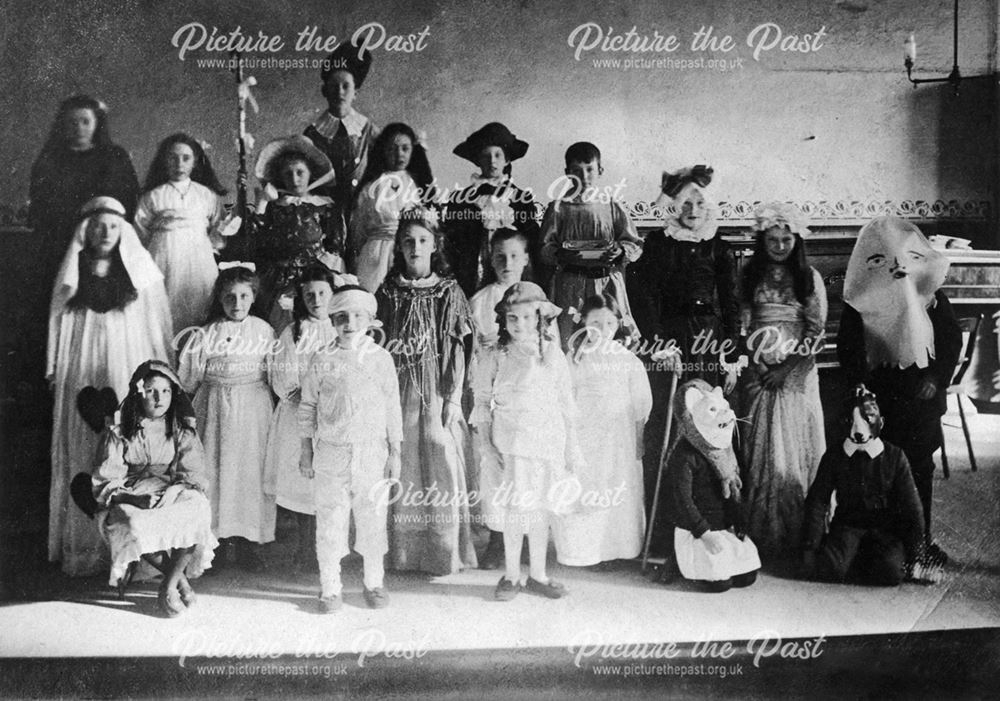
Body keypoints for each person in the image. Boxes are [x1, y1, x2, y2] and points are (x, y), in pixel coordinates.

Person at [47, 196, 173, 576]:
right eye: (99, 226)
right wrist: (54, 367)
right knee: (86, 445)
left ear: (124, 233)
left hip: (125, 359)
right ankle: (89, 549)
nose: (106, 233)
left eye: (114, 226)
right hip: (82, 363)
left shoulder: (135, 273)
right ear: (86, 231)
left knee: (124, 441)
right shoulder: (74, 273)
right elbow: (58, 321)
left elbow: (156, 324)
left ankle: (134, 550)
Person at [837, 216, 962, 564]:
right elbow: (848, 345)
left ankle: (920, 539)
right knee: (876, 468)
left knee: (919, 468)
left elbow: (950, 341)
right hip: (879, 396)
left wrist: (936, 379)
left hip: (920, 398)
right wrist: (859, 383)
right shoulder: (860, 301)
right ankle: (881, 540)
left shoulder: (932, 299)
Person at [627, 165, 739, 545]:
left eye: (699, 201)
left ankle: (714, 524)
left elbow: (732, 304)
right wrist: (659, 343)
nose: (692, 208)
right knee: (670, 425)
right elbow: (641, 294)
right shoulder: (659, 245)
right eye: (685, 201)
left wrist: (731, 354)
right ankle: (664, 534)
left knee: (710, 424)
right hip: (672, 343)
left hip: (710, 341)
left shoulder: (718, 246)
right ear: (674, 206)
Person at [376, 206, 477, 574]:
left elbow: (459, 348)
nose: (415, 248)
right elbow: (376, 346)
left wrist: (452, 397)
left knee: (440, 452)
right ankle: (403, 554)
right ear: (399, 248)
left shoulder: (448, 291)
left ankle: (444, 552)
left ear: (435, 245)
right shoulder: (388, 291)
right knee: (402, 462)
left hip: (436, 386)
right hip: (398, 385)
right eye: (408, 242)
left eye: (422, 241)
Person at [471, 282, 584, 600]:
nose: (520, 324)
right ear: (503, 320)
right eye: (512, 318)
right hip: (512, 446)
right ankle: (511, 575)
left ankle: (538, 574)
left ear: (541, 318)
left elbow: (565, 404)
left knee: (541, 510)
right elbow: (481, 402)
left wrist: (570, 448)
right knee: (515, 512)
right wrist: (486, 447)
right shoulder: (496, 354)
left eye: (527, 317)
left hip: (546, 443)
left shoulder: (552, 355)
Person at [84, 360, 217, 617]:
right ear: (139, 393)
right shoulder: (120, 429)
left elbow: (192, 473)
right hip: (131, 490)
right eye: (152, 391)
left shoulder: (181, 428)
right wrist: (130, 498)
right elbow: (107, 477)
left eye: (166, 391)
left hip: (170, 487)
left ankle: (167, 586)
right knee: (132, 524)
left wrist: (174, 490)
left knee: (198, 508)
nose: (159, 399)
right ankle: (179, 580)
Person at [298, 283, 402, 613]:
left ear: (370, 319)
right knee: (330, 521)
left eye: (358, 316)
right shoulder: (323, 358)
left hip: (372, 453)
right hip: (332, 452)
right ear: (331, 319)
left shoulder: (381, 358)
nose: (350, 323)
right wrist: (306, 450)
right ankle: (330, 588)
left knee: (372, 519)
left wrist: (395, 452)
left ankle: (374, 582)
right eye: (341, 316)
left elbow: (392, 407)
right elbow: (308, 405)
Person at [738, 202, 827, 558]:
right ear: (763, 240)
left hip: (796, 372)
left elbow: (816, 330)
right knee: (760, 449)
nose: (778, 246)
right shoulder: (749, 275)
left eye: (785, 240)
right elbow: (744, 323)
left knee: (791, 453)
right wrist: (760, 366)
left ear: (796, 240)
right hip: (758, 370)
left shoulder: (810, 278)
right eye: (772, 240)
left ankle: (796, 535)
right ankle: (760, 532)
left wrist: (785, 368)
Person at [178, 263, 277, 569]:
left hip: (253, 409)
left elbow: (275, 374)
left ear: (253, 297)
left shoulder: (264, 330)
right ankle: (215, 546)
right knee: (215, 474)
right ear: (219, 299)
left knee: (250, 475)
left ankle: (249, 545)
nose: (237, 304)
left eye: (244, 296)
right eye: (230, 297)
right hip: (215, 408)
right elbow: (189, 379)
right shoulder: (205, 334)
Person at [555, 292, 651, 568]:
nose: (603, 330)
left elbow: (640, 403)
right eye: (595, 323)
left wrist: (639, 438)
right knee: (591, 486)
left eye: (609, 324)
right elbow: (567, 396)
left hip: (619, 435)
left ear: (618, 324)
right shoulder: (576, 358)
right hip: (587, 432)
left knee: (618, 484)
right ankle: (589, 550)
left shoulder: (627, 359)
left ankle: (621, 547)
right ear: (583, 322)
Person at [801, 385, 929, 586]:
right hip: (848, 524)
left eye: (866, 421)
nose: (858, 431)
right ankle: (852, 555)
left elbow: (912, 508)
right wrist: (810, 547)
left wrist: (916, 554)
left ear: (880, 423)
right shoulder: (835, 455)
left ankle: (864, 558)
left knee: (891, 573)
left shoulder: (895, 457)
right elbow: (817, 500)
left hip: (884, 528)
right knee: (828, 569)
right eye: (852, 422)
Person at [265, 265, 339, 572]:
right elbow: (284, 379)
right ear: (301, 298)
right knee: (304, 481)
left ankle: (331, 547)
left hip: (334, 414)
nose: (317, 300)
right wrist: (311, 399)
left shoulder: (340, 328)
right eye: (310, 294)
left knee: (332, 481)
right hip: (300, 417)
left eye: (323, 293)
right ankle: (306, 548)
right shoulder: (293, 332)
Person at [467, 228, 533, 568]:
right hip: (493, 393)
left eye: (514, 256)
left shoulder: (536, 299)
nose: (507, 263)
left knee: (526, 471)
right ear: (489, 260)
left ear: (525, 259)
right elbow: (474, 351)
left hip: (526, 401)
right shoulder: (480, 300)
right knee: (494, 468)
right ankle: (496, 538)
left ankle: (526, 543)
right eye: (499, 257)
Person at [659, 380, 760, 592]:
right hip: (699, 528)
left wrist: (737, 521)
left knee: (746, 577)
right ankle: (678, 559)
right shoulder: (685, 455)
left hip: (722, 525)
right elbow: (682, 499)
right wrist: (704, 532)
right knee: (719, 584)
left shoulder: (725, 453)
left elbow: (733, 493)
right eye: (714, 410)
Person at [30, 95, 140, 286]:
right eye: (72, 122)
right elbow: (40, 204)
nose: (79, 128)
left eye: (85, 121)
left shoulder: (115, 157)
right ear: (63, 125)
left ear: (97, 123)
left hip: (105, 239)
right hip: (60, 240)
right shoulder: (50, 159)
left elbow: (129, 199)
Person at [540, 141, 642, 346]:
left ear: (600, 170)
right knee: (571, 337)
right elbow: (545, 248)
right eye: (576, 170)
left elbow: (634, 243)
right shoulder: (559, 208)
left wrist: (620, 251)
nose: (584, 176)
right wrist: (562, 254)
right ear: (567, 173)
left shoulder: (612, 205)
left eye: (589, 169)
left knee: (609, 340)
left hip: (606, 283)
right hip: (571, 284)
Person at [135, 133, 234, 333]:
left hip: (199, 261)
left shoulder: (206, 195)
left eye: (186, 158)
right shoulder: (153, 196)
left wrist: (220, 232)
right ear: (164, 161)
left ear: (195, 162)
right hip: (163, 259)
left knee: (199, 306)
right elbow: (140, 235)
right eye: (173, 158)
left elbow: (218, 237)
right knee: (163, 312)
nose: (179, 163)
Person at [251, 135, 343, 333]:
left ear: (311, 173)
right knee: (282, 327)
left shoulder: (324, 206)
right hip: (278, 279)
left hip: (316, 277)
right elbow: (256, 240)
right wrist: (262, 204)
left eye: (300, 172)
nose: (294, 179)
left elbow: (336, 244)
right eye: (288, 173)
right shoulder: (274, 206)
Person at [443, 122, 544, 297]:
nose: (492, 161)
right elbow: (453, 243)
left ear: (507, 160)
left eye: (498, 155)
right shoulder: (461, 199)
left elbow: (532, 242)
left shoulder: (521, 198)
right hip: (473, 273)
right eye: (486, 156)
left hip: (511, 268)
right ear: (478, 160)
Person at [304, 42, 379, 234]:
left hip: (361, 212)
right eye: (334, 86)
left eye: (346, 86)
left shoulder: (368, 130)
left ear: (355, 93)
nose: (340, 92)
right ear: (325, 91)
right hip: (324, 216)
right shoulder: (312, 134)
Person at [350, 123, 433, 292]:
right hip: (376, 252)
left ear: (413, 151)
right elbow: (358, 229)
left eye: (405, 149)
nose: (399, 154)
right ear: (382, 151)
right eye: (392, 149)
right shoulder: (371, 188)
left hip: (410, 249)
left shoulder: (419, 185)